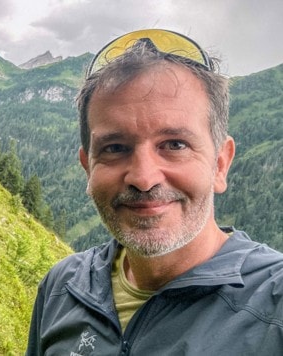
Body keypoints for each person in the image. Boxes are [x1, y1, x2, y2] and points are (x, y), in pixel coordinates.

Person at [26, 29, 283, 355]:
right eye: (115, 147)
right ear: (88, 167)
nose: (144, 178)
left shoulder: (274, 308)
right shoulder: (61, 288)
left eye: (175, 144)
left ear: (220, 164)